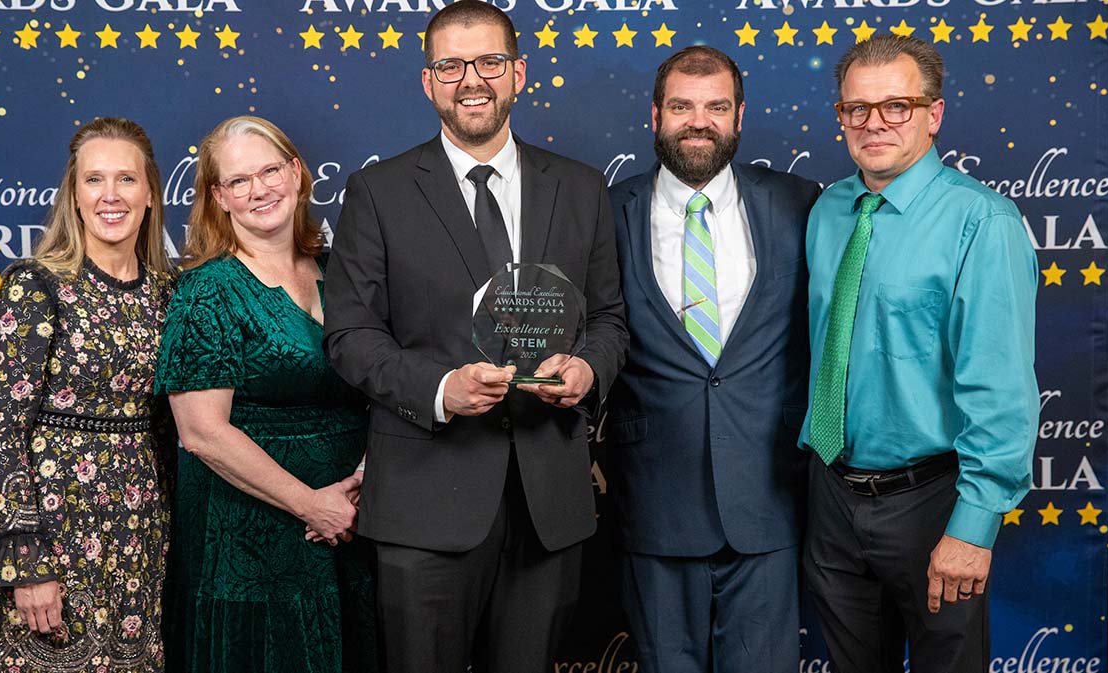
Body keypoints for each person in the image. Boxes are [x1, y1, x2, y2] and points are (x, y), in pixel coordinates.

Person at [323, 2, 628, 671]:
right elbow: (349, 332)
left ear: (518, 73)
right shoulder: (378, 192)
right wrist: (438, 388)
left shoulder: (579, 188)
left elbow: (609, 318)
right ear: (428, 81)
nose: (473, 80)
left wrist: (586, 370)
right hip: (424, 499)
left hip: (548, 500)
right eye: (451, 65)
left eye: (489, 61)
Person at [800, 35, 1038, 672]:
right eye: (857, 108)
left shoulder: (982, 223)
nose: (874, 123)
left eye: (896, 106)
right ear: (842, 118)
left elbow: (1002, 389)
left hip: (933, 502)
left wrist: (974, 525)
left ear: (934, 115)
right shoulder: (828, 212)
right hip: (831, 496)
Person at [604, 46, 820, 672]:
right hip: (653, 498)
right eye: (682, 106)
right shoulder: (603, 212)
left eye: (716, 107)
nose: (699, 121)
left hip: (769, 496)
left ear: (739, 116)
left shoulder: (800, 203)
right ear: (655, 115)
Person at [154, 116, 377, 673]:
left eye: (271, 170)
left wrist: (367, 477)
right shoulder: (207, 290)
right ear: (219, 198)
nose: (259, 190)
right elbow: (203, 433)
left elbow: (385, 382)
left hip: (352, 523)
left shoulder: (340, 273)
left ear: (297, 174)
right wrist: (311, 504)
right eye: (238, 181)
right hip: (251, 539)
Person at [0, 117, 175, 672]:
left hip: (144, 531)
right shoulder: (37, 283)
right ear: (74, 194)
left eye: (126, 180)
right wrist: (26, 563)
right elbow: (3, 432)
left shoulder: (172, 292)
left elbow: (176, 425)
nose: (110, 196)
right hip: (56, 533)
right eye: (94, 180)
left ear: (149, 194)